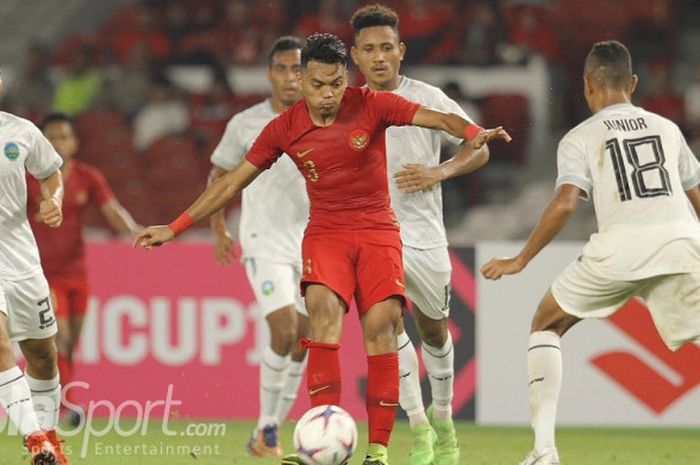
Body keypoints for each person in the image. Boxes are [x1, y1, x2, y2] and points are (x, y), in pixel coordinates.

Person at [135, 33, 509, 465]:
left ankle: (377, 452)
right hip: (327, 235)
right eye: (318, 85)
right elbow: (233, 180)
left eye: (335, 83)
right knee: (322, 321)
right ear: (303, 80)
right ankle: (322, 443)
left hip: (377, 232)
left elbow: (439, 119)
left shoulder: (372, 104)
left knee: (382, 331)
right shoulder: (285, 127)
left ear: (345, 76)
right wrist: (177, 226)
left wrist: (474, 132)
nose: (328, 94)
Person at [481, 40, 700, 465]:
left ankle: (544, 451)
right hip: (682, 242)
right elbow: (697, 195)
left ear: (586, 85)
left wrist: (521, 259)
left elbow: (565, 202)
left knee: (546, 322)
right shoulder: (667, 128)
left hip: (620, 248)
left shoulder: (580, 137)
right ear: (633, 83)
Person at [349, 5, 491, 465]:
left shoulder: (428, 99)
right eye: (369, 49)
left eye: (386, 48)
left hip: (425, 236)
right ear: (355, 56)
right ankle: (421, 428)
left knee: (433, 331)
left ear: (401, 50)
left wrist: (439, 171)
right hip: (374, 238)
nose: (379, 57)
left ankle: (444, 416)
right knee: (385, 329)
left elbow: (478, 147)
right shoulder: (347, 106)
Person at [208, 36, 310, 458]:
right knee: (284, 328)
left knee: (307, 338)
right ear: (270, 74)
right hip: (262, 240)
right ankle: (268, 427)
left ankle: (268, 429)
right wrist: (217, 228)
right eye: (282, 69)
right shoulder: (246, 123)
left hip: (311, 241)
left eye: (297, 70)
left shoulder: (323, 118)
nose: (290, 78)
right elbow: (218, 176)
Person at [27, 112, 140, 426]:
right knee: (58, 339)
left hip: (77, 272)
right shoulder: (27, 179)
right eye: (50, 136)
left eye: (63, 136)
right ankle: (70, 405)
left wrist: (134, 232)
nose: (57, 143)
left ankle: (51, 397)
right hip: (41, 273)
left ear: (74, 142)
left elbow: (112, 210)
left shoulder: (87, 176)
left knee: (71, 343)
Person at [0, 71, 70, 465]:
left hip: (21, 256)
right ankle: (36, 441)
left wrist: (54, 199)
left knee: (43, 356)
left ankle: (52, 443)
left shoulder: (21, 132)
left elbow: (50, 173)